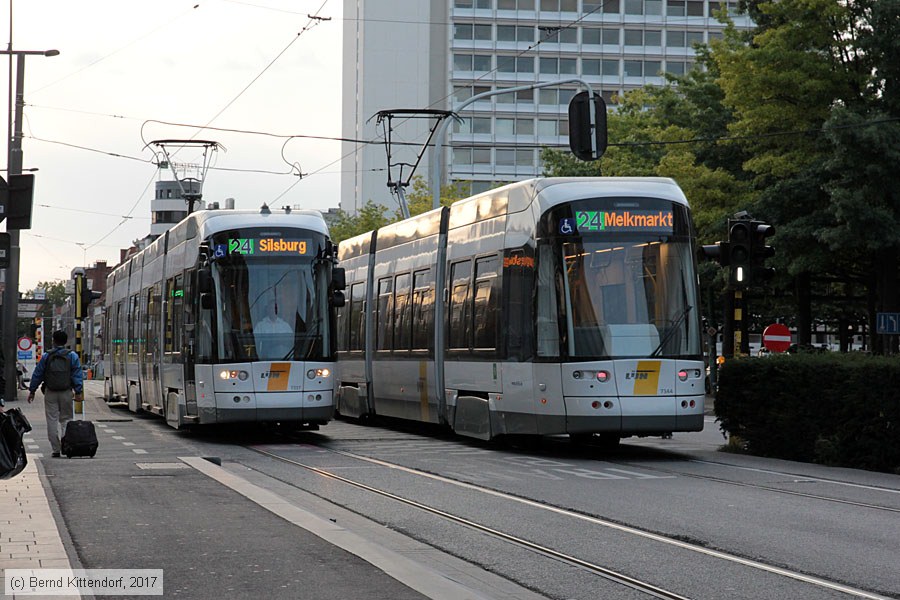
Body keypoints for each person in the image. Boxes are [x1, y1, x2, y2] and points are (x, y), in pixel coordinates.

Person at [27, 330, 83, 458]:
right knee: (66, 419)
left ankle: (56, 449)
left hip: (50, 392)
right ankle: (66, 445)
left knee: (52, 420)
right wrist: (78, 391)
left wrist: (32, 390)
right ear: (66, 341)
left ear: (54, 341)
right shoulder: (72, 356)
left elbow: (38, 374)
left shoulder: (46, 356)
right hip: (66, 392)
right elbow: (77, 374)